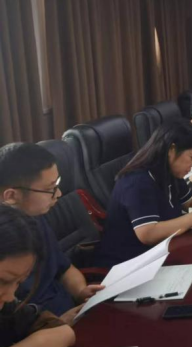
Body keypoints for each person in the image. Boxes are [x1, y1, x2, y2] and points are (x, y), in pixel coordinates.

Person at [94, 121, 192, 267]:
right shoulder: (137, 181)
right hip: (132, 264)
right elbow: (148, 234)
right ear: (172, 150)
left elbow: (190, 201)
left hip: (163, 252)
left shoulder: (170, 171)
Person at [0, 143, 103, 323]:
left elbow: (64, 268)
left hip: (71, 314)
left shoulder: (35, 218)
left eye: (57, 184)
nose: (59, 194)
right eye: (49, 189)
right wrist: (58, 323)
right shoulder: (6, 244)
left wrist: (81, 292)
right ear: (11, 196)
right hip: (42, 327)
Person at [0, 205, 75, 347]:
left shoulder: (7, 308)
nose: (10, 296)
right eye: (3, 281)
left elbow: (63, 332)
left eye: (18, 282)